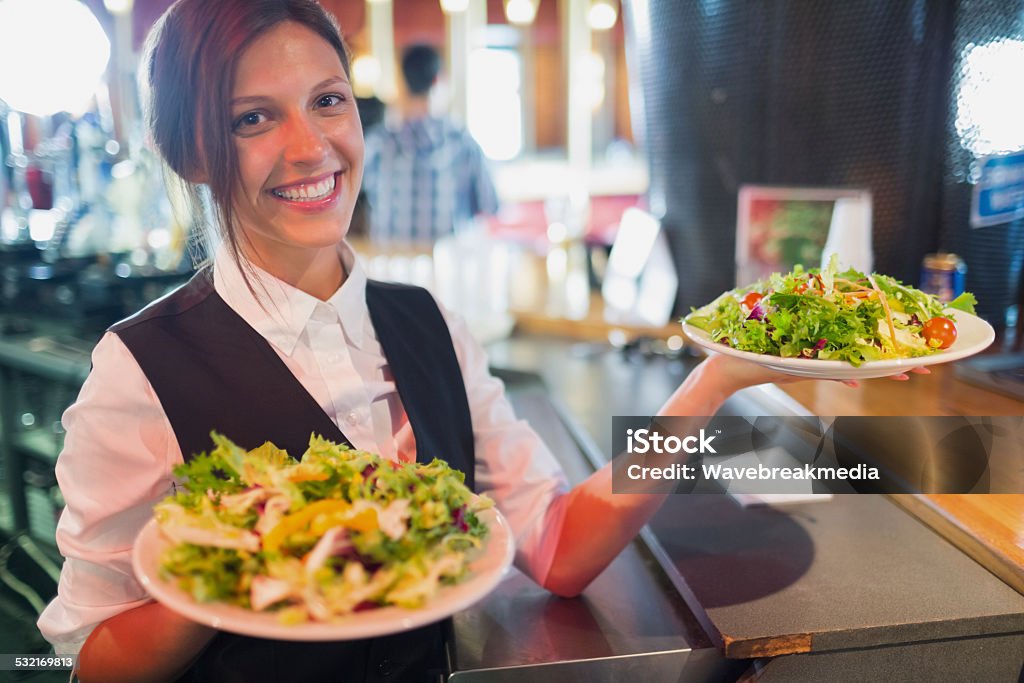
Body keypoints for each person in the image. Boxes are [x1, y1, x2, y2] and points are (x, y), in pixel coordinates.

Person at [36, 2, 921, 681]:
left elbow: (560, 545)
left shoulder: (427, 322)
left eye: (327, 101)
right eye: (251, 119)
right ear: (191, 150)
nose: (311, 148)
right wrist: (230, 560)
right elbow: (92, 660)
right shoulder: (141, 370)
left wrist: (713, 383)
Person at [360, 43, 498, 245]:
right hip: (447, 268)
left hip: (390, 267)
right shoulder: (462, 142)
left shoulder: (375, 143)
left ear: (402, 83)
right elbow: (490, 205)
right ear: (437, 80)